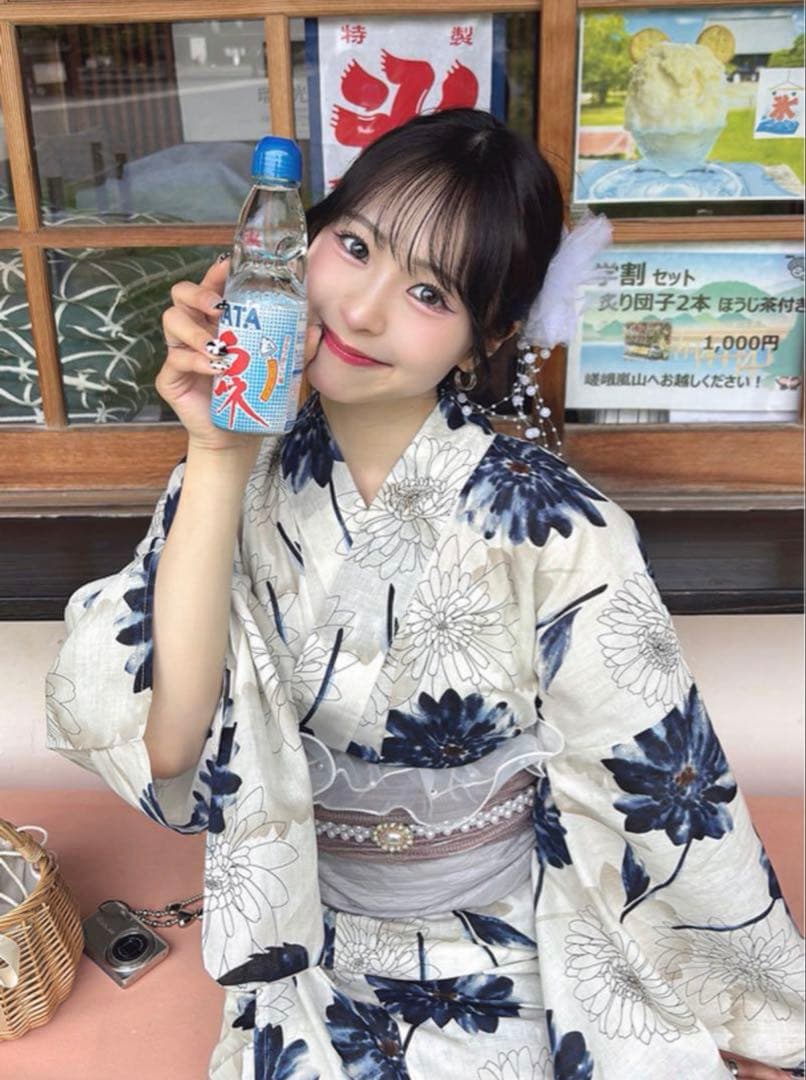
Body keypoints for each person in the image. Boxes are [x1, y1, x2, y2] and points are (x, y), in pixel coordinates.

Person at [46, 109, 804, 1080]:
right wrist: (216, 450)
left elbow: (662, 789)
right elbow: (169, 746)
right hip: (307, 941)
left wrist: (756, 1015)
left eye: (428, 291)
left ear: (488, 334)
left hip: (502, 947)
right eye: (354, 247)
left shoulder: (560, 529)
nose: (361, 311)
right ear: (298, 242)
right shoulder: (232, 481)